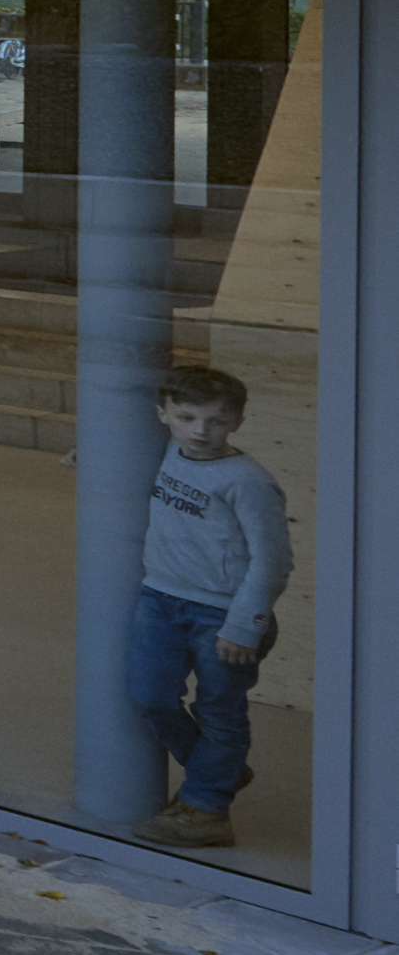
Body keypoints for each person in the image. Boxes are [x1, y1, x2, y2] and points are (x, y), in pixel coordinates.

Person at [128, 360, 287, 850]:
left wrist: (247, 624)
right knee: (150, 695)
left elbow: (274, 559)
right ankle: (219, 771)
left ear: (237, 421)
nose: (201, 431)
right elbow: (129, 466)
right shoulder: (165, 453)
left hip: (226, 614)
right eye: (187, 417)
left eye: (216, 420)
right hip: (160, 600)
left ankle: (207, 810)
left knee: (220, 711)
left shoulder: (247, 480)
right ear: (163, 414)